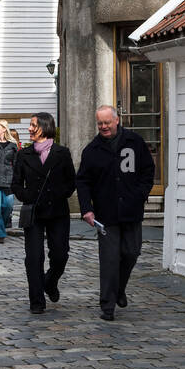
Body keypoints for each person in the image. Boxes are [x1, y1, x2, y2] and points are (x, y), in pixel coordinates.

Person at [76, 105, 155, 321]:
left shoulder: (134, 142)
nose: (103, 127)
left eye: (107, 122)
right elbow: (82, 181)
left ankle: (119, 289)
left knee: (132, 252)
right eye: (100, 123)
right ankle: (107, 306)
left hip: (131, 209)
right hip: (106, 214)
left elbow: (148, 170)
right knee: (109, 260)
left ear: (116, 120)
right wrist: (87, 209)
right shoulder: (91, 150)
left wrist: (140, 193)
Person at [12, 112, 76, 315]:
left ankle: (50, 282)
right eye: (30, 125)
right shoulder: (23, 155)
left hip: (57, 212)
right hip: (34, 213)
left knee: (60, 255)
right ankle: (37, 300)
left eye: (33, 125)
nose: (29, 129)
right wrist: (27, 196)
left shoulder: (62, 153)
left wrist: (59, 194)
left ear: (45, 127)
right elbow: (15, 184)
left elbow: (71, 182)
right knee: (33, 257)